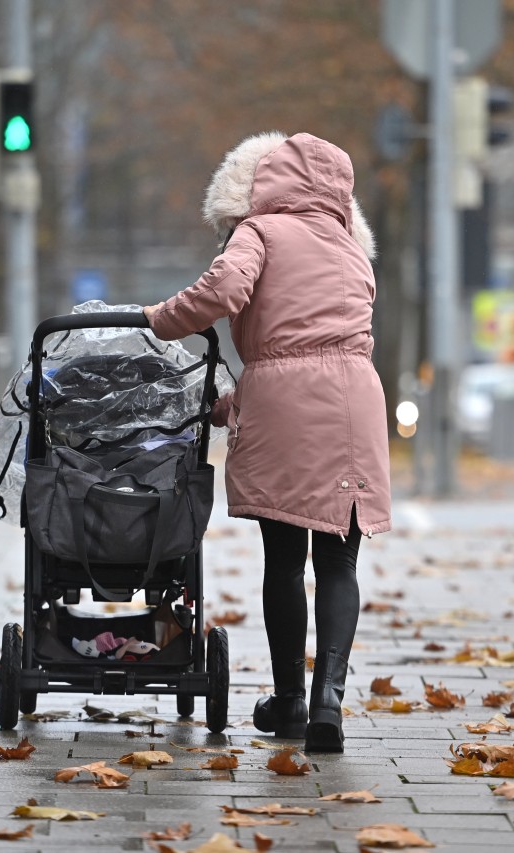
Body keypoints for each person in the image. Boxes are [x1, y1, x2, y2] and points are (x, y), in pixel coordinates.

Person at [145, 131, 390, 753]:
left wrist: (154, 320)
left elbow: (226, 295)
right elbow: (327, 346)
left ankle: (289, 703)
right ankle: (329, 699)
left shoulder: (260, 231)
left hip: (285, 403)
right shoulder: (351, 246)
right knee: (339, 560)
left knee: (284, 558)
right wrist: (238, 405)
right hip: (356, 401)